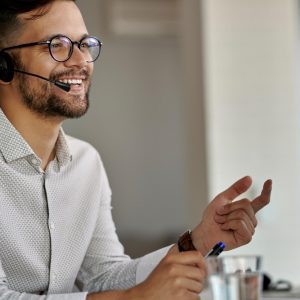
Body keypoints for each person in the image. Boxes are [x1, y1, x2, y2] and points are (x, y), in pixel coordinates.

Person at [0, 0, 272, 299]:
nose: (80, 60)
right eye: (58, 45)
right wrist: (133, 298)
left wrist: (199, 240)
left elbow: (104, 277)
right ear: (5, 65)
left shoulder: (86, 163)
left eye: (85, 44)